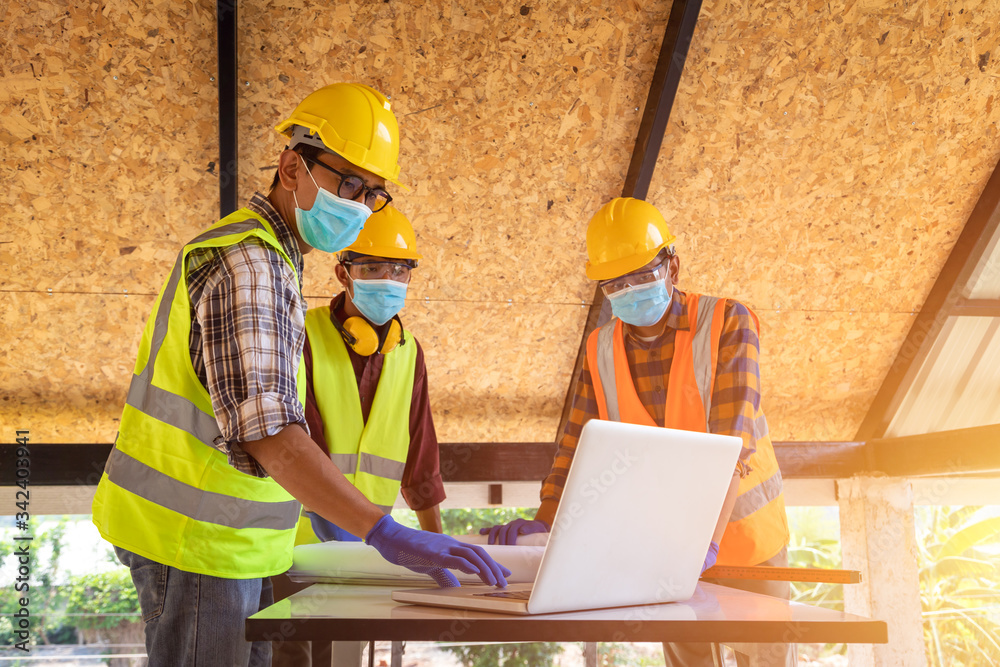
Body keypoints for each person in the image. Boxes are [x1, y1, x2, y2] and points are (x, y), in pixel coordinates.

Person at [91, 82, 508, 667]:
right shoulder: (251, 264)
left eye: (375, 195)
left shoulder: (274, 262)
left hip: (233, 544)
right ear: (292, 168)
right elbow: (269, 433)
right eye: (351, 185)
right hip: (195, 543)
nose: (362, 208)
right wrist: (381, 531)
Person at [481, 197, 792, 666]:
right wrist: (547, 520)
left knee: (765, 660)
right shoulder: (599, 348)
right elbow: (575, 447)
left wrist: (705, 543)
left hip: (747, 542)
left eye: (643, 276)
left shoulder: (729, 322)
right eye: (616, 283)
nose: (631, 291)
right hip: (663, 553)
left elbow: (735, 443)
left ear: (673, 266)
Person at [271, 205, 446, 665]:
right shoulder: (301, 336)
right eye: (371, 267)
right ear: (343, 273)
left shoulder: (408, 354)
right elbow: (295, 447)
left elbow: (421, 468)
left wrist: (439, 553)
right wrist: (373, 534)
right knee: (290, 657)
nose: (387, 279)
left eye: (400, 269)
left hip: (365, 553)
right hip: (294, 550)